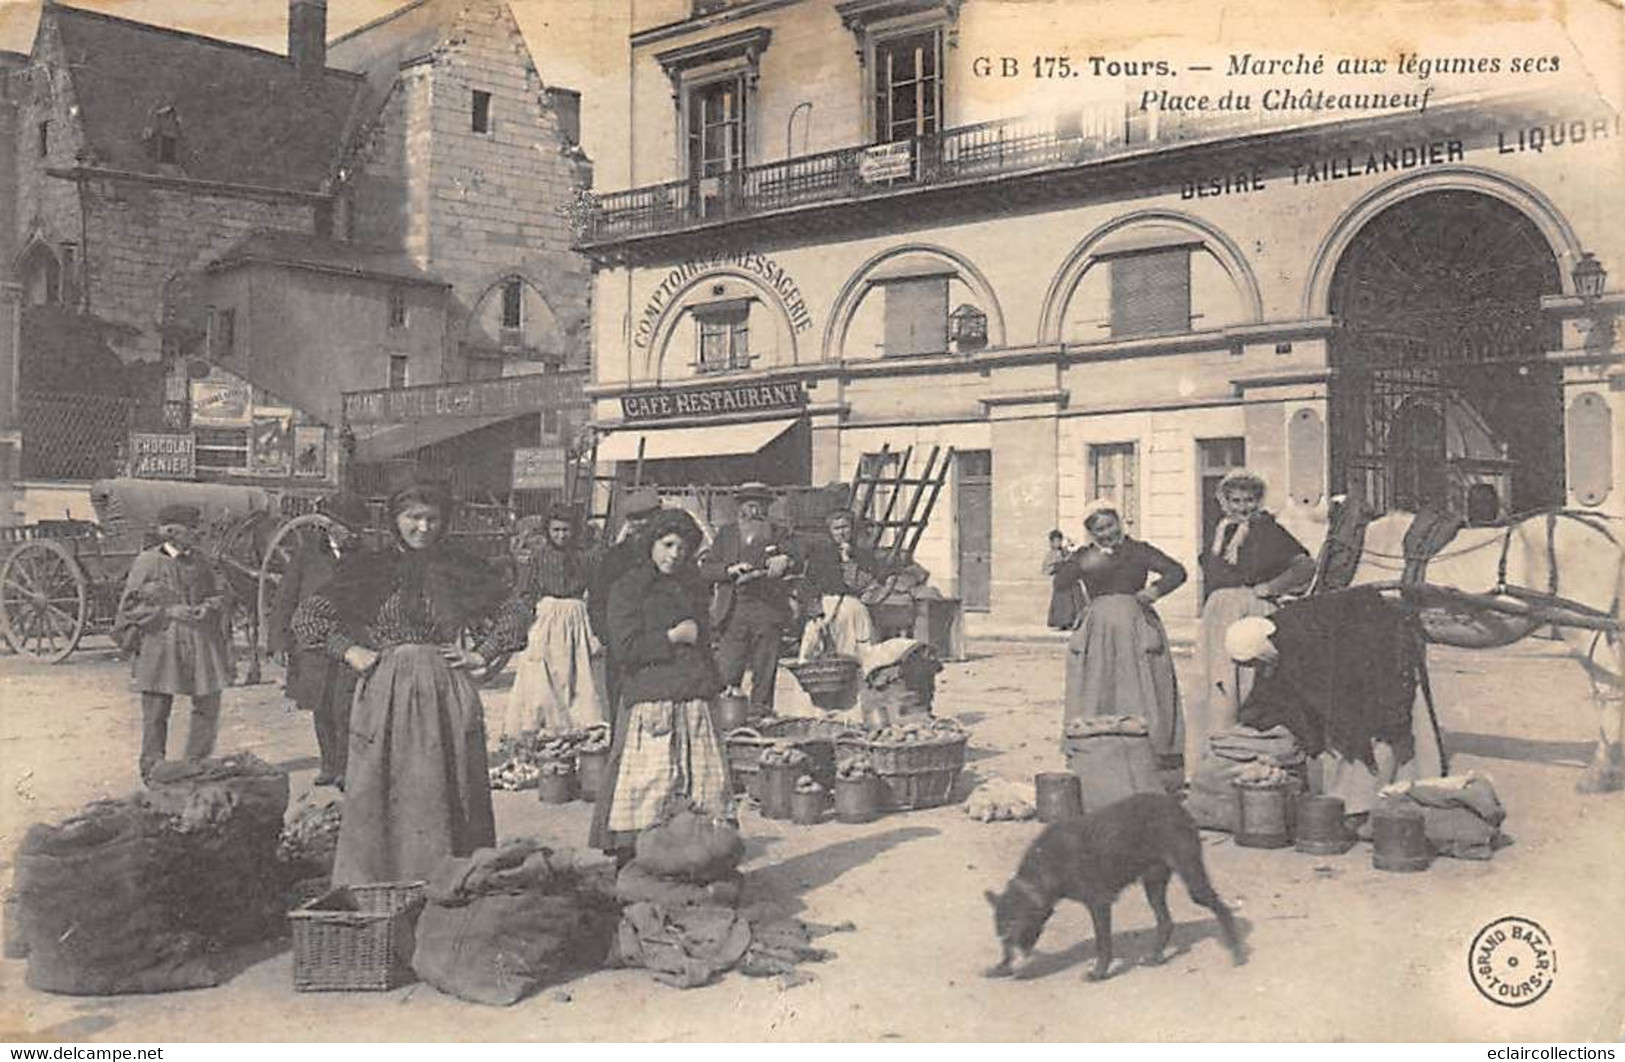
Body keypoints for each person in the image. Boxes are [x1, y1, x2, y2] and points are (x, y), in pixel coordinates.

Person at [292, 477, 532, 886]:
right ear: (393, 520)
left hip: (445, 691)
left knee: (450, 790)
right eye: (412, 518)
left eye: (432, 519)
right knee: (384, 791)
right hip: (386, 692)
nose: (423, 528)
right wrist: (352, 652)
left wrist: (481, 653)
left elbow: (514, 609)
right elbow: (308, 619)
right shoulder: (369, 567)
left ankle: (448, 884)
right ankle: (384, 885)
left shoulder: (460, 566)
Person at [588, 508, 732, 860]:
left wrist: (715, 684)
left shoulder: (691, 586)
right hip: (651, 698)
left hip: (692, 698)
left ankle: (692, 858)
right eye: (667, 545)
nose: (674, 555)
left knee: (700, 784)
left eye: (682, 549)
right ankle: (640, 860)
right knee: (648, 786)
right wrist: (671, 637)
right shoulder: (628, 587)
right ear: (651, 543)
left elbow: (702, 644)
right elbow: (624, 647)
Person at [1188, 469, 1317, 782]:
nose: (1242, 507)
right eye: (1235, 500)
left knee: (1246, 682)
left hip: (1250, 610)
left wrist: (1270, 588)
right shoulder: (1220, 531)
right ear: (1224, 501)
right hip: (1218, 612)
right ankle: (1213, 760)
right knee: (1215, 683)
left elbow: (1305, 565)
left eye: (1248, 500)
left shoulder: (1268, 529)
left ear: (1258, 501)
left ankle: (1248, 756)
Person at [1055, 500, 1187, 760]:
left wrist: (1155, 590)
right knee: (1099, 680)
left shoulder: (1138, 550)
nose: (1108, 533)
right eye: (1100, 529)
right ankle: (1100, 742)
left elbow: (1177, 572)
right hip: (1099, 626)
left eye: (1111, 525)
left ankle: (1147, 743)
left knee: (1138, 679)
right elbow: (1061, 583)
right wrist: (1081, 562)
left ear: (1120, 522)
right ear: (1092, 532)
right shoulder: (1085, 555)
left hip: (1134, 621)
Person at [115, 503, 233, 782]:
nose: (197, 533)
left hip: (199, 642)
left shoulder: (202, 561)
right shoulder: (147, 562)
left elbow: (220, 594)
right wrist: (168, 612)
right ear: (170, 531)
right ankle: (153, 768)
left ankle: (196, 762)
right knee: (156, 709)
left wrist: (209, 607)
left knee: (209, 702)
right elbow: (128, 608)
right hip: (162, 642)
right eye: (191, 529)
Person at [272, 492, 372, 787]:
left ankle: (345, 767)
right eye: (346, 527)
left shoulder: (368, 556)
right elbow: (285, 598)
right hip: (311, 643)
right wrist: (279, 640)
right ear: (330, 526)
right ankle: (328, 764)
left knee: (346, 706)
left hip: (351, 643)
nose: (352, 534)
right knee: (321, 705)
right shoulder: (306, 556)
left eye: (358, 529)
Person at [699, 482, 802, 717]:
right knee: (726, 672)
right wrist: (729, 570)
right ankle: (725, 723)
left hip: (768, 610)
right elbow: (707, 569)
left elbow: (797, 558)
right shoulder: (727, 534)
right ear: (740, 507)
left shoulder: (779, 533)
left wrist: (786, 560)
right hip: (733, 611)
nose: (754, 510)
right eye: (749, 504)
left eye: (760, 505)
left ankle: (760, 720)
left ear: (767, 508)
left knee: (764, 673)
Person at [506, 505, 607, 735]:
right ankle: (546, 721)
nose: (561, 535)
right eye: (556, 530)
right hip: (547, 616)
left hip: (575, 616)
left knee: (576, 670)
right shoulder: (538, 557)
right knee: (544, 669)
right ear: (548, 531)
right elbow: (525, 592)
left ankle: (575, 722)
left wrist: (595, 630)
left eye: (566, 530)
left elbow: (597, 591)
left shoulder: (584, 558)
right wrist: (524, 623)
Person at [587, 487, 663, 717]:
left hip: (659, 641)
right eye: (635, 519)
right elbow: (597, 600)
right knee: (620, 701)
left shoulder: (669, 554)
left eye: (646, 519)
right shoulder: (614, 557)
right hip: (623, 642)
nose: (640, 525)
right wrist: (608, 635)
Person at [800, 509, 882, 662]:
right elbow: (808, 585)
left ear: (852, 529)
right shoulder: (819, 555)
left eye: (845, 527)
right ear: (830, 532)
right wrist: (815, 611)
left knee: (858, 653)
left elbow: (859, 585)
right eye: (836, 528)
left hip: (853, 609)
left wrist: (848, 560)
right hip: (826, 607)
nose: (841, 532)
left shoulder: (864, 555)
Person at [1043, 529, 1084, 631]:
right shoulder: (1050, 554)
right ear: (1051, 542)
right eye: (1055, 541)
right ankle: (1062, 622)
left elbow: (1072, 558)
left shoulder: (1065, 551)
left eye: (1059, 541)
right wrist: (1057, 565)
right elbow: (1046, 570)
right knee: (1061, 603)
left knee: (1072, 602)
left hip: (1070, 580)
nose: (1057, 543)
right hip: (1060, 582)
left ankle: (1073, 621)